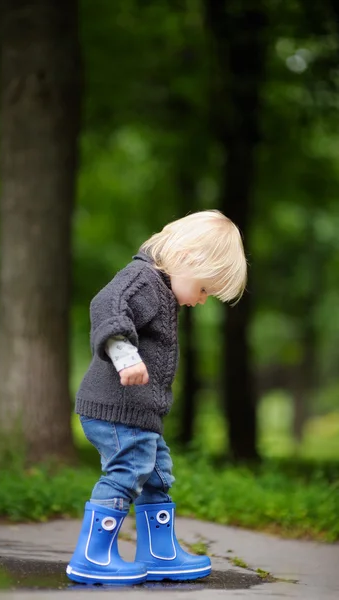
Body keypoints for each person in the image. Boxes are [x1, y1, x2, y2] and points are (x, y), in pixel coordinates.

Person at [66, 210, 247, 586]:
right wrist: (124, 353)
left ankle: (159, 555)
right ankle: (92, 557)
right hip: (116, 409)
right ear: (188, 260)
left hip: (138, 415)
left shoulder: (162, 290)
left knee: (157, 474)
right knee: (127, 472)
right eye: (203, 289)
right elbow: (107, 304)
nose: (201, 300)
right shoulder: (142, 280)